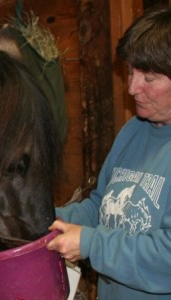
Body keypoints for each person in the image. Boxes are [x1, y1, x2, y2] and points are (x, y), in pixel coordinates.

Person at [47, 6, 171, 300]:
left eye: (149, 78)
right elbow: (102, 207)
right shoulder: (134, 130)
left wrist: (91, 244)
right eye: (130, 72)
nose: (131, 88)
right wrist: (46, 219)